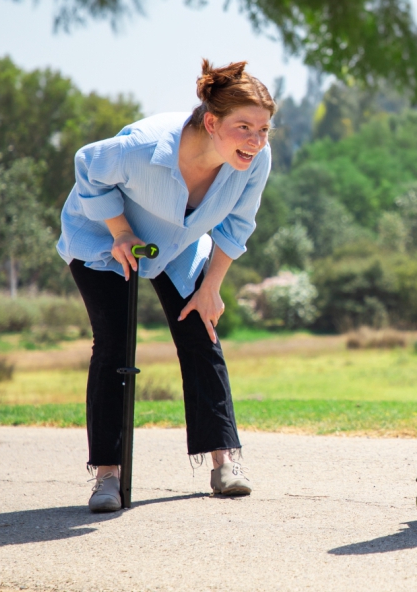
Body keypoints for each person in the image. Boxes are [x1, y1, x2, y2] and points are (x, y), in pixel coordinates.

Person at [57, 60, 274, 512]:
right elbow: (87, 165)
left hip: (177, 245)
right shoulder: (144, 147)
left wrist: (211, 287)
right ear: (211, 122)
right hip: (104, 241)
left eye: (264, 128)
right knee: (115, 345)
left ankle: (224, 463)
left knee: (202, 332)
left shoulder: (253, 161)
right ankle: (108, 477)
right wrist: (119, 231)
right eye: (244, 127)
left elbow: (237, 224)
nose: (256, 140)